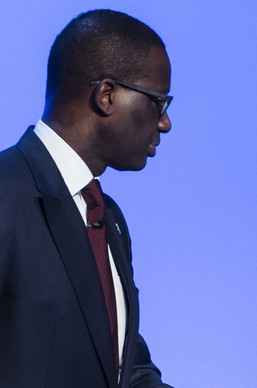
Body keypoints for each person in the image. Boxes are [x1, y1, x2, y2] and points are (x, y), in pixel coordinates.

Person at [0, 9, 173, 387]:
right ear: (106, 95)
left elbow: (125, 370)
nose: (165, 122)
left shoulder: (108, 218)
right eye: (158, 102)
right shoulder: (6, 193)